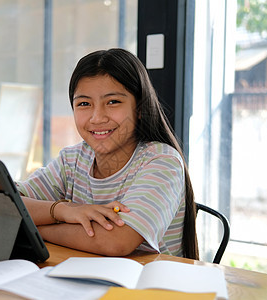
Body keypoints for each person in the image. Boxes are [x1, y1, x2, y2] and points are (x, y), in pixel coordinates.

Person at [17, 48, 199, 259]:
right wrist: (64, 211)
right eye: (84, 104)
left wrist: (33, 229)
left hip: (152, 287)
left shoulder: (162, 161)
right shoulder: (72, 160)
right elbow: (6, 204)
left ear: (139, 108)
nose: (97, 117)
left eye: (112, 102)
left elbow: (117, 242)